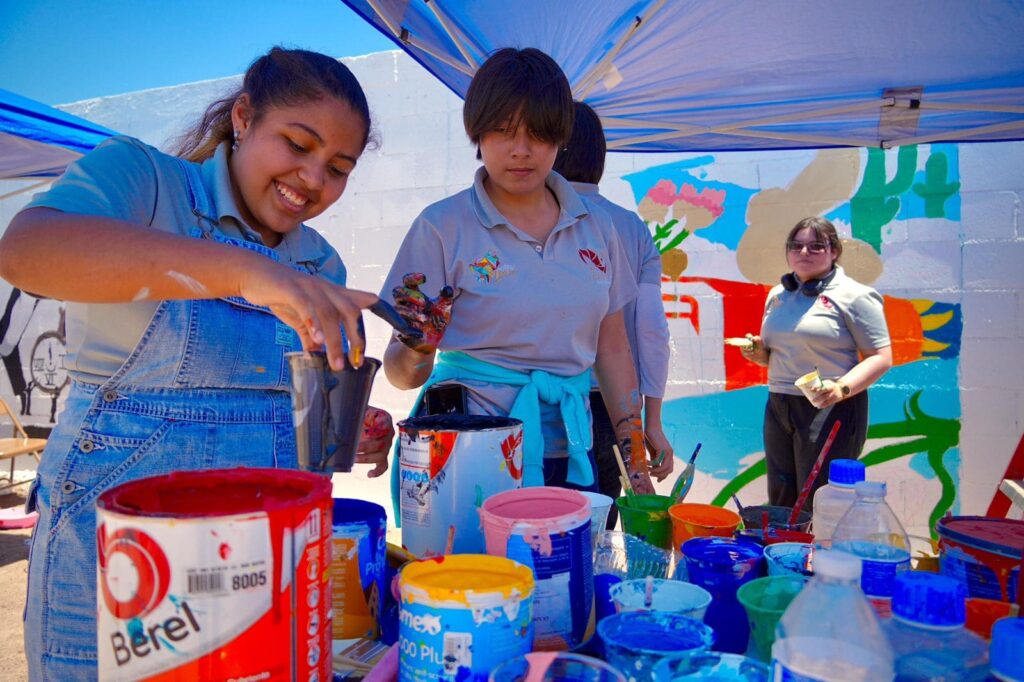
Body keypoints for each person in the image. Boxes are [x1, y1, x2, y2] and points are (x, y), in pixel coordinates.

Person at [0, 47, 393, 680]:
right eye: (297, 144)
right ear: (243, 117)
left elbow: (281, 402)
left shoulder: (321, 263)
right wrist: (244, 271)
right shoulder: (145, 181)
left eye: (338, 167)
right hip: (120, 570)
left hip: (264, 568)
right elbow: (26, 250)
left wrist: (349, 418)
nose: (313, 181)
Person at [381, 48, 667, 500]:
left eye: (538, 133)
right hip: (465, 449)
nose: (521, 150)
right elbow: (401, 375)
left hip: (573, 452)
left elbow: (612, 349)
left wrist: (636, 469)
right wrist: (417, 346)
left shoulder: (599, 227)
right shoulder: (441, 226)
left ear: (560, 137)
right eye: (502, 131)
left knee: (566, 568)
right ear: (477, 132)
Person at [552, 100, 673, 525]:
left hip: (540, 403)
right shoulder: (631, 227)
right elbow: (651, 329)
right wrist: (651, 421)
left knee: (537, 536)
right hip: (611, 407)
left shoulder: (532, 217)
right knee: (597, 534)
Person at [742, 216, 892, 508]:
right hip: (779, 404)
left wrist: (841, 389)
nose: (804, 253)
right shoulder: (777, 295)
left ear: (834, 251)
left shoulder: (855, 295)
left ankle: (821, 554)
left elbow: (881, 357)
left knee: (820, 501)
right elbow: (777, 354)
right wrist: (759, 353)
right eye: (796, 246)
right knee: (782, 499)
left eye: (816, 246)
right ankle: (786, 554)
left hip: (831, 407)